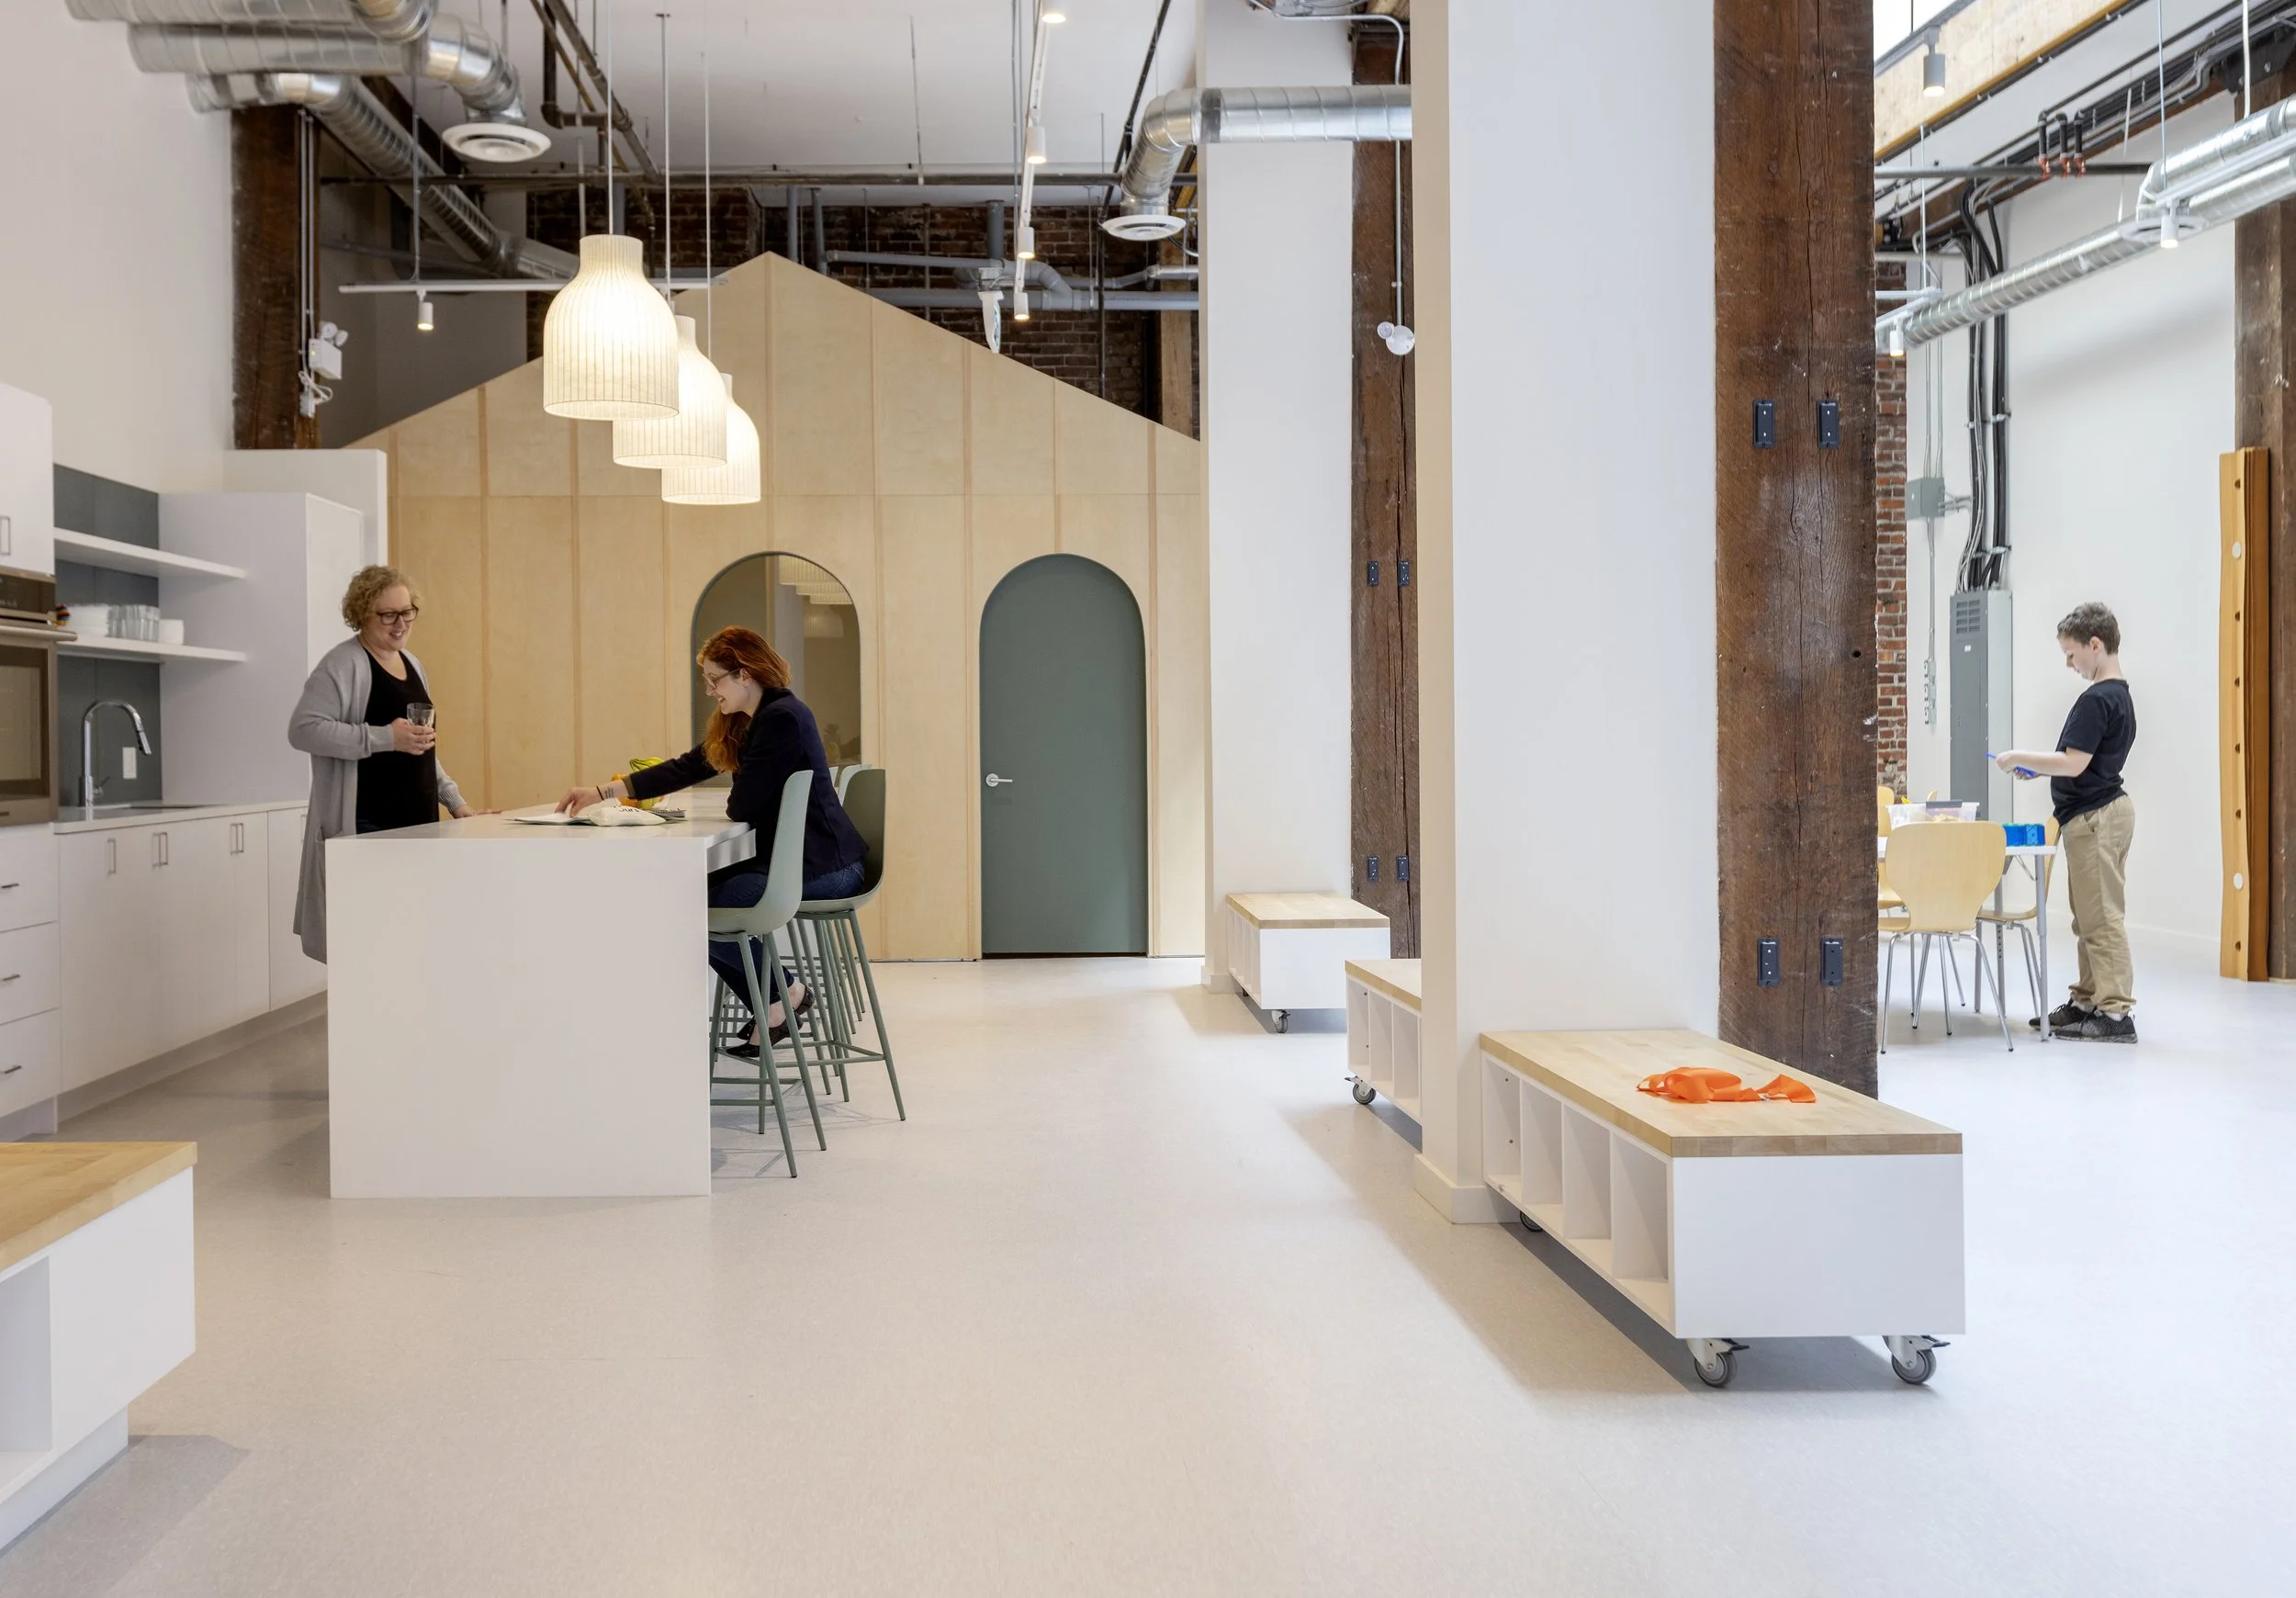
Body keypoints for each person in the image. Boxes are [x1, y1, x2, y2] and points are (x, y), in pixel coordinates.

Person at [557, 626, 866, 1055]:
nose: (709, 690)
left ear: (744, 674)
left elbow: (741, 807)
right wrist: (603, 791)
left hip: (828, 870)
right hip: (803, 862)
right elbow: (691, 765)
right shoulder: (758, 718)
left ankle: (784, 997)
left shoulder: (781, 720)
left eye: (714, 679)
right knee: (688, 902)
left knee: (687, 908)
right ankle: (779, 1000)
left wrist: (739, 770)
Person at [287, 566, 486, 962]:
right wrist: (382, 737)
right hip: (366, 828)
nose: (400, 624)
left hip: (418, 825)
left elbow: (422, 746)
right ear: (362, 613)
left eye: (407, 612)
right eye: (388, 615)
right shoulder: (342, 664)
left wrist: (454, 800)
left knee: (409, 943)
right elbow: (303, 730)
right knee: (370, 947)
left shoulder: (412, 663)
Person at [1995, 601, 2137, 1042]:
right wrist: (2041, 768)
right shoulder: (2118, 695)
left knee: (2102, 918)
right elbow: (2083, 763)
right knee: (2088, 917)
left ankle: (2115, 1016)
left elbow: (2075, 764)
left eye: (2072, 653)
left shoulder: (2099, 698)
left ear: (2096, 645)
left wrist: (2018, 756)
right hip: (2095, 815)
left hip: (2096, 818)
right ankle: (2087, 1000)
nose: (2069, 663)